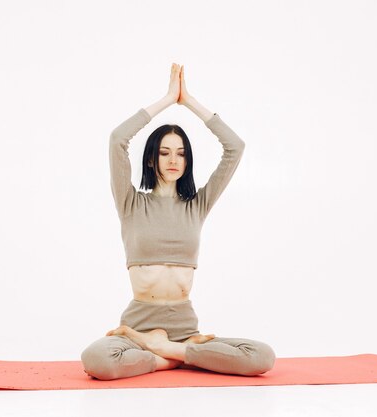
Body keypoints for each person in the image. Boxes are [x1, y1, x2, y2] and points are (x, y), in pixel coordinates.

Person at [80, 63, 275, 380]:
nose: (173, 160)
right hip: (136, 327)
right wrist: (168, 99)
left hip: (185, 328)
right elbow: (117, 139)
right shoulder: (131, 203)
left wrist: (190, 102)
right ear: (151, 158)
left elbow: (235, 147)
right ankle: (171, 357)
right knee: (97, 360)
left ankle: (171, 351)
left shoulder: (197, 204)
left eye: (181, 153)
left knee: (261, 357)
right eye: (165, 152)